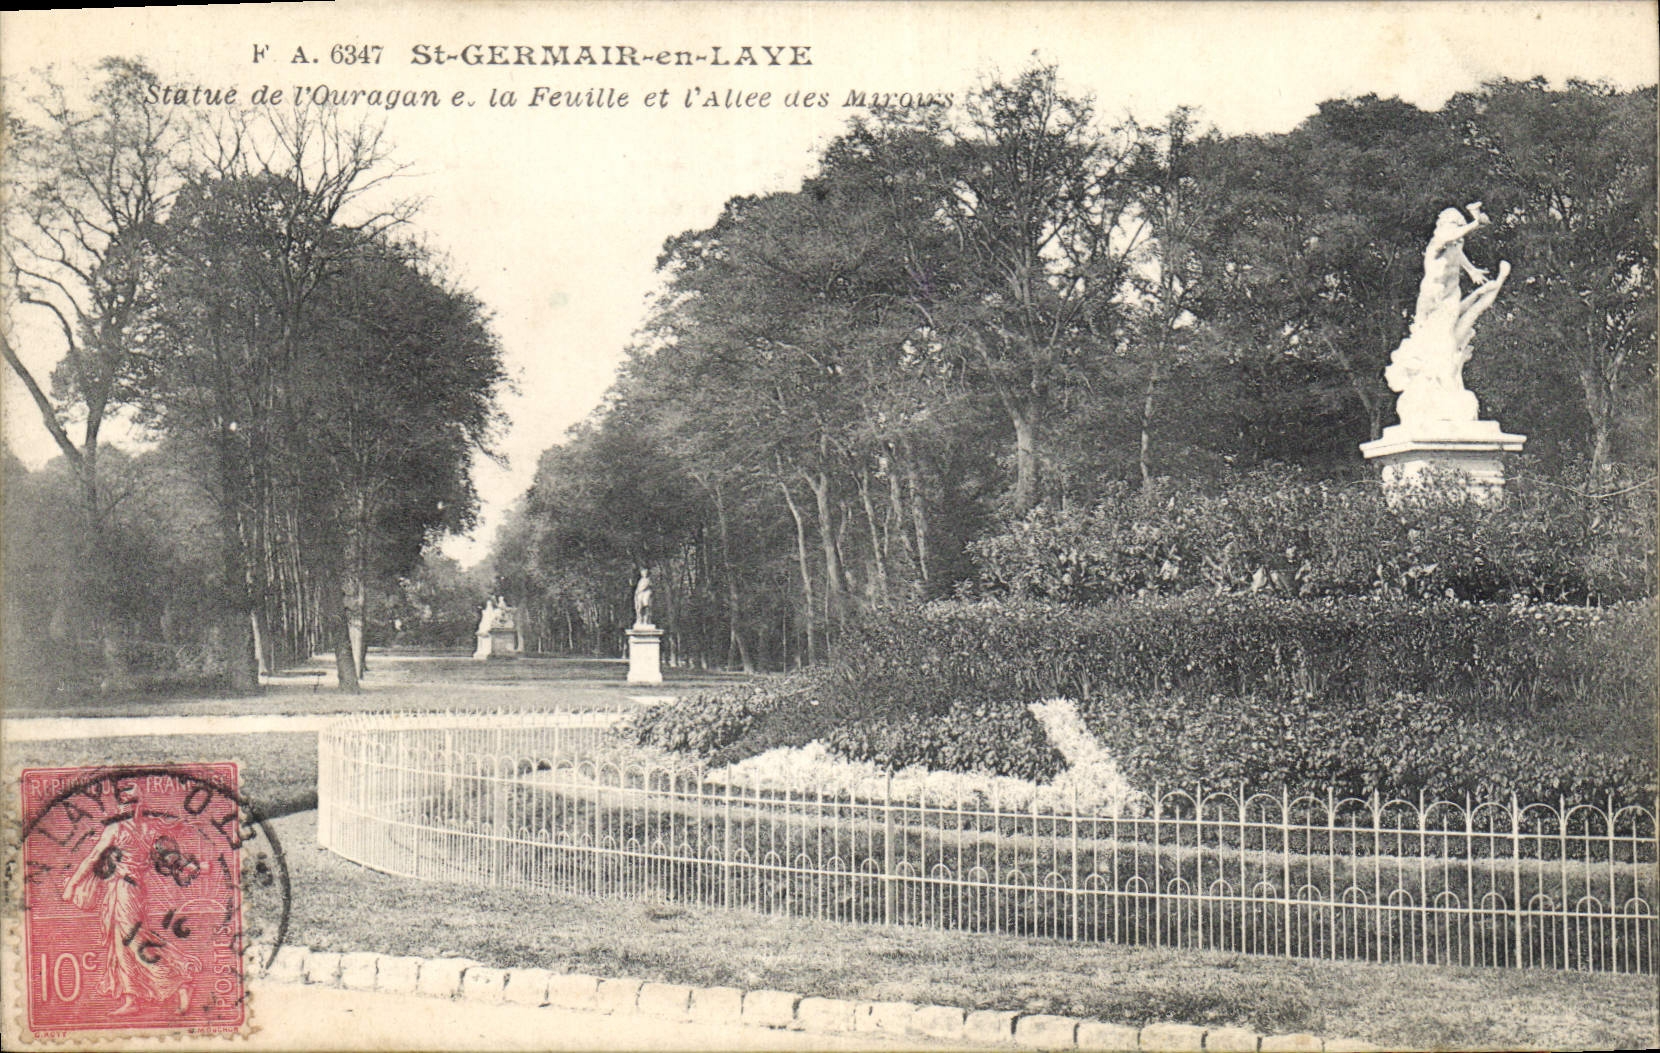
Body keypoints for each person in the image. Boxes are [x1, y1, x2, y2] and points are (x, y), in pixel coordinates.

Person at [61, 794, 202, 1014]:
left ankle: (179, 983)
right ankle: (131, 998)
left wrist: (72, 884)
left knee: (134, 940)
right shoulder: (147, 830)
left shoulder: (119, 829)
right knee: (120, 943)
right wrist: (191, 867)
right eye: (124, 803)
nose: (125, 807)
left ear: (136, 806)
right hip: (125, 890)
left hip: (126, 890)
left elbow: (94, 857)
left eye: (128, 803)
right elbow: (171, 857)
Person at [1384, 203, 1510, 424]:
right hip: (1434, 296)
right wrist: (1474, 223)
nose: (1458, 233)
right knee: (1450, 329)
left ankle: (1493, 285)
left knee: (1463, 320)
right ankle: (1492, 286)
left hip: (1450, 296)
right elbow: (1451, 236)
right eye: (1454, 225)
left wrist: (1471, 270)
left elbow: (1458, 254)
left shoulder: (1455, 244)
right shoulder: (1438, 242)